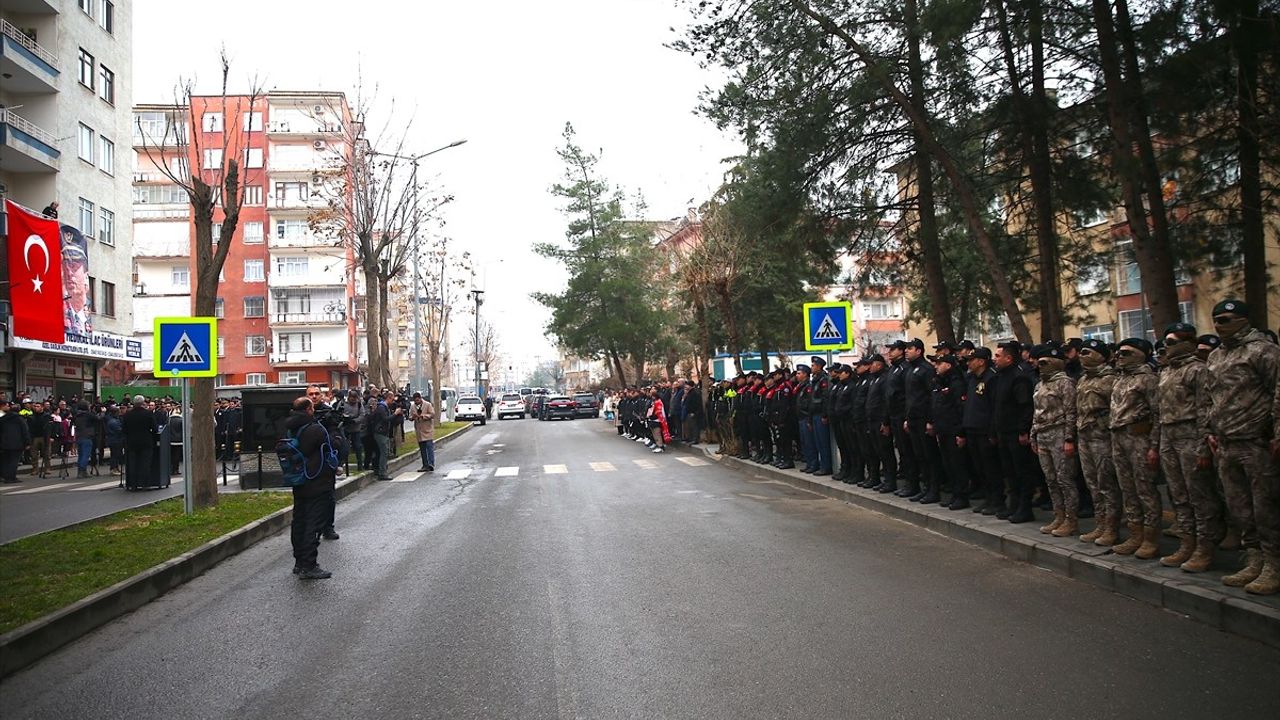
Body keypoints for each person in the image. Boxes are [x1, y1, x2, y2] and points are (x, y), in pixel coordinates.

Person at [1206, 300, 1279, 594]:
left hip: (1256, 441)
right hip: (1225, 442)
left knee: (1266, 507)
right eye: (1217, 319)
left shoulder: (1263, 351)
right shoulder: (1215, 356)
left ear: (1244, 320)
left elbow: (1277, 391)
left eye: (1227, 319)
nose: (1220, 324)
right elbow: (1210, 397)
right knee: (1240, 507)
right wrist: (1209, 430)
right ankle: (1254, 559)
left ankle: (1274, 563)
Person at [1156, 322, 1223, 572]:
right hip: (1169, 435)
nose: (1166, 346)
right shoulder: (1166, 371)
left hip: (1190, 436)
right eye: (1166, 342)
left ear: (1187, 343)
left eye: (1172, 342)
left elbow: (1206, 408)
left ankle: (1204, 548)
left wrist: (1203, 445)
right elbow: (1160, 409)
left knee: (1200, 496)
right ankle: (1187, 543)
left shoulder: (1198, 370)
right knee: (1179, 494)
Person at [1109, 338, 1162, 559]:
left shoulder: (1147, 379)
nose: (1120, 356)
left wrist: (1154, 445)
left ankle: (1151, 538)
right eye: (1119, 353)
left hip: (1139, 438)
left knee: (1145, 489)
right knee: (1127, 488)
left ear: (1142, 354)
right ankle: (1135, 534)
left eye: (1127, 353)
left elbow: (1158, 413)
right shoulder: (1120, 379)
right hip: (1119, 437)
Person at [1075, 339, 1121, 545]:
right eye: (1081, 352)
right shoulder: (1083, 379)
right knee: (1092, 483)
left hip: (1103, 438)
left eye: (1088, 352)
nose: (1082, 356)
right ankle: (1100, 524)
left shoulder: (1112, 379)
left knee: (1107, 484)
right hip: (1085, 436)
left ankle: (1112, 527)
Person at [1030, 344, 1079, 536]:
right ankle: (1059, 516)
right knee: (1050, 479)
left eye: (1044, 362)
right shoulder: (1039, 384)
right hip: (1043, 435)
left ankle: (1071, 519)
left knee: (1064, 479)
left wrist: (1069, 438)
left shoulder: (1065, 383)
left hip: (1059, 433)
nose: (1040, 366)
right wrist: (1034, 434)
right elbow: (1037, 412)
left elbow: (1071, 412)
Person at [286, 397, 337, 580]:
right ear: (308, 409)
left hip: (298, 480)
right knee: (313, 523)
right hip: (317, 480)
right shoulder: (315, 429)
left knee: (298, 521)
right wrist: (333, 430)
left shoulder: (288, 426)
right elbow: (333, 448)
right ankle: (309, 564)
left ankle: (299, 562)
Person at [122, 395, 159, 489]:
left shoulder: (127, 415)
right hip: (146, 442)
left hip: (131, 443)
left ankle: (133, 484)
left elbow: (124, 430)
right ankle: (145, 484)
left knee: (132, 464)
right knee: (145, 463)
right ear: (143, 403)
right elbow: (155, 429)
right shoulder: (148, 414)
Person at [0, 398, 31, 484]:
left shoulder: (3, 419)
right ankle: (11, 477)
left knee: (6, 461)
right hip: (17, 443)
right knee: (14, 461)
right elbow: (25, 431)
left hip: (4, 443)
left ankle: (6, 477)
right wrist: (27, 442)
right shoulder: (19, 419)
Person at [371, 390, 394, 481]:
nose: (393, 401)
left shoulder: (383, 407)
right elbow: (385, 419)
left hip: (382, 432)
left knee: (381, 452)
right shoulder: (382, 407)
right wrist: (395, 414)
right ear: (388, 398)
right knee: (384, 452)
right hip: (380, 432)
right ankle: (382, 473)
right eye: (392, 399)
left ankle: (380, 469)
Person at [410, 391, 437, 472]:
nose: (417, 402)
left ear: (420, 398)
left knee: (429, 447)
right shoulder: (412, 406)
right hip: (419, 430)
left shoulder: (427, 404)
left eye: (418, 400)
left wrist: (423, 416)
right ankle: (425, 465)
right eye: (415, 401)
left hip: (427, 429)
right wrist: (412, 417)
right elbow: (410, 416)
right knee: (422, 449)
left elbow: (432, 414)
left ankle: (431, 464)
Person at [71, 400, 96, 478]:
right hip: (87, 436)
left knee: (81, 455)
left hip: (79, 436)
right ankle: (82, 470)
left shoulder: (77, 415)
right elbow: (98, 418)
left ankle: (81, 471)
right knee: (86, 455)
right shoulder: (88, 415)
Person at [105, 405, 125, 475]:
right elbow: (119, 430)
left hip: (115, 439)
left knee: (116, 455)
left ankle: (116, 468)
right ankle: (113, 469)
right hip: (115, 440)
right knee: (114, 455)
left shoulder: (114, 420)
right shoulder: (113, 421)